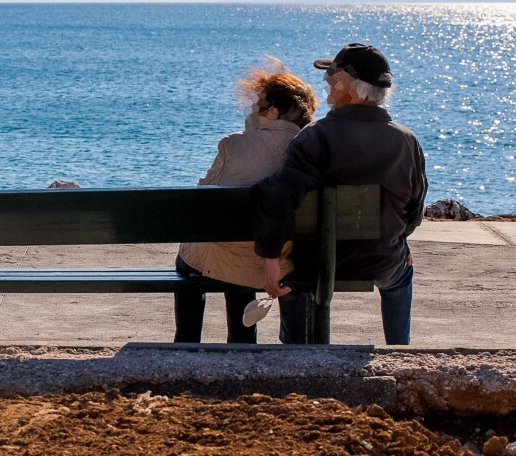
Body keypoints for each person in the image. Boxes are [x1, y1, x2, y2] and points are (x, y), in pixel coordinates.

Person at [250, 43, 427, 345]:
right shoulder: (407, 141)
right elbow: (414, 210)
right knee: (402, 272)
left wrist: (271, 259)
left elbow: (279, 198)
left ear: (347, 84)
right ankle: (399, 348)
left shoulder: (315, 137)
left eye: (332, 75)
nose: (326, 81)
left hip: (320, 262)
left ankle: (295, 348)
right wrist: (398, 241)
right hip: (383, 258)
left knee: (293, 272)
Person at [174, 59, 319, 343]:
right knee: (241, 262)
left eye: (256, 104)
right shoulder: (311, 148)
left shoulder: (233, 144)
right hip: (281, 257)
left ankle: (187, 341)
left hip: (226, 254)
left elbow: (204, 199)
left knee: (193, 259)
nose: (251, 109)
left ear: (273, 111)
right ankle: (244, 343)